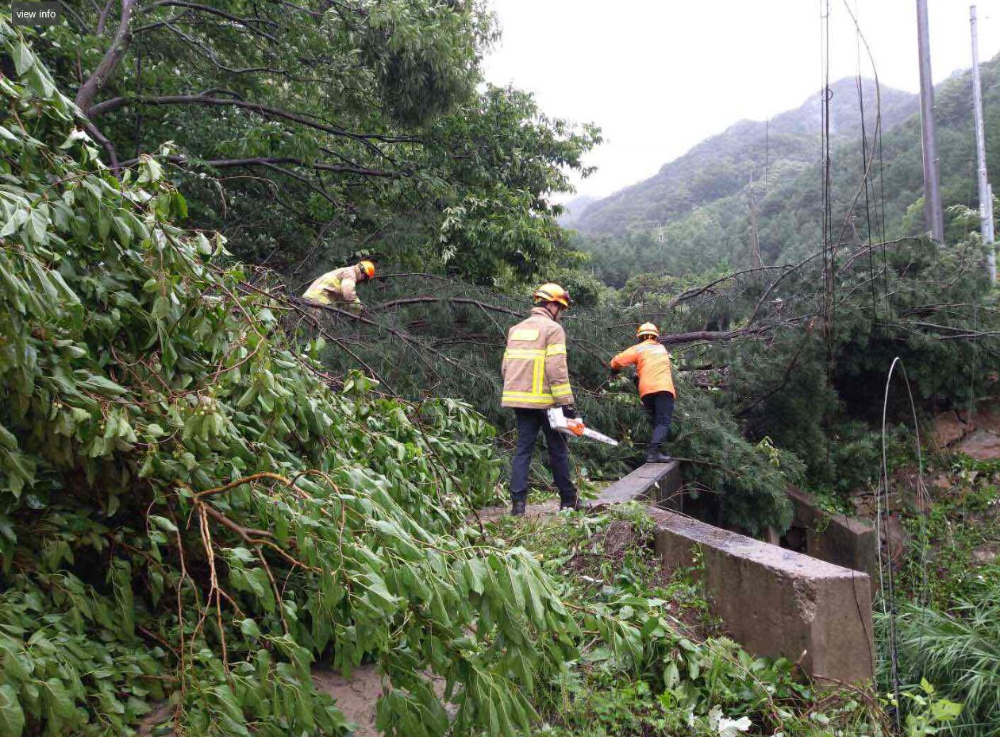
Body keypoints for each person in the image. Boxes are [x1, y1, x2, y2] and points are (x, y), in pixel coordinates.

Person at [501, 283, 578, 516]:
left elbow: (506, 367)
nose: (561, 314)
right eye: (561, 308)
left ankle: (518, 505)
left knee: (523, 450)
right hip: (547, 402)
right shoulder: (553, 330)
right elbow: (556, 369)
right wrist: (567, 403)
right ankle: (568, 501)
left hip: (520, 401)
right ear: (553, 305)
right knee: (558, 449)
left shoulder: (516, 329)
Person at [609, 322, 676, 463]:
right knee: (663, 421)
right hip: (663, 388)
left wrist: (614, 372)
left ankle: (655, 449)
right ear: (655, 337)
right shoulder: (662, 349)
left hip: (646, 390)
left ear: (640, 337)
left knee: (655, 420)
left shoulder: (638, 349)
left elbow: (616, 361)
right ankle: (653, 453)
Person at [302, 261, 375, 311]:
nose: (361, 281)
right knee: (324, 328)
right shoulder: (350, 274)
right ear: (363, 275)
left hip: (311, 298)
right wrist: (359, 306)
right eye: (364, 279)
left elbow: (341, 298)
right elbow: (348, 293)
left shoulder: (345, 271)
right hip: (318, 301)